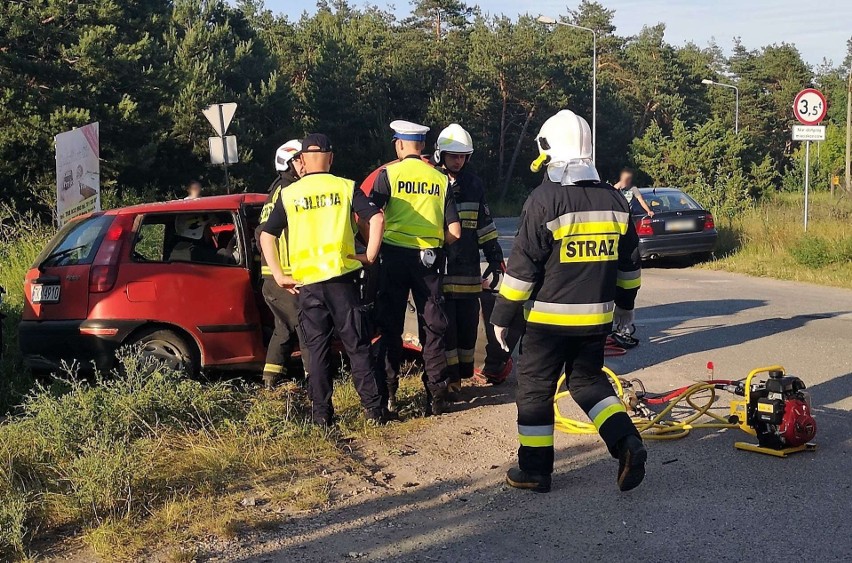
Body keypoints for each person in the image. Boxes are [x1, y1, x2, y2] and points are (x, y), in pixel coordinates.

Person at [491, 109, 645, 493]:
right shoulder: (616, 201)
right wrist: (625, 310)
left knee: (535, 391)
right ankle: (627, 442)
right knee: (590, 384)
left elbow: (523, 269)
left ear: (549, 150)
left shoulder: (544, 199)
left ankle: (535, 470)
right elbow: (630, 267)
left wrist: (502, 316)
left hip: (547, 322)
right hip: (596, 320)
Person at [260, 133, 386, 426]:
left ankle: (321, 416)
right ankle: (373, 411)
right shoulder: (345, 187)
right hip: (342, 281)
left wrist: (280, 275)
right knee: (357, 346)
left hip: (308, 285)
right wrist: (369, 255)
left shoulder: (290, 194)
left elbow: (267, 235)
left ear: (302, 160)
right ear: (331, 158)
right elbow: (376, 218)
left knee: (316, 352)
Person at [370, 120, 462, 416]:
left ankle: (388, 396)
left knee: (390, 327)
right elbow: (456, 232)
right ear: (421, 146)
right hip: (429, 260)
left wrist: (373, 245)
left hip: (394, 256)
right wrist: (436, 243)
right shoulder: (439, 180)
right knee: (432, 328)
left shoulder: (389, 174)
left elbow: (371, 217)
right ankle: (435, 398)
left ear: (399, 144)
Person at [432, 124, 504, 393]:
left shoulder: (474, 184)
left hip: (467, 266)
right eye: (453, 156)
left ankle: (461, 376)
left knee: (467, 326)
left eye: (463, 156)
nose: (459, 161)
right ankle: (447, 379)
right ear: (440, 155)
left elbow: (484, 224)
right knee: (444, 327)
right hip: (438, 266)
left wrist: (495, 258)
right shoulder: (432, 182)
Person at [256, 140, 311, 388]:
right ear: (287, 163)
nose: (304, 164)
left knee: (284, 330)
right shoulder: (289, 192)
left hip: (273, 278)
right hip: (286, 275)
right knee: (306, 328)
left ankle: (270, 381)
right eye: (299, 160)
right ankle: (315, 380)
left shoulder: (276, 191)